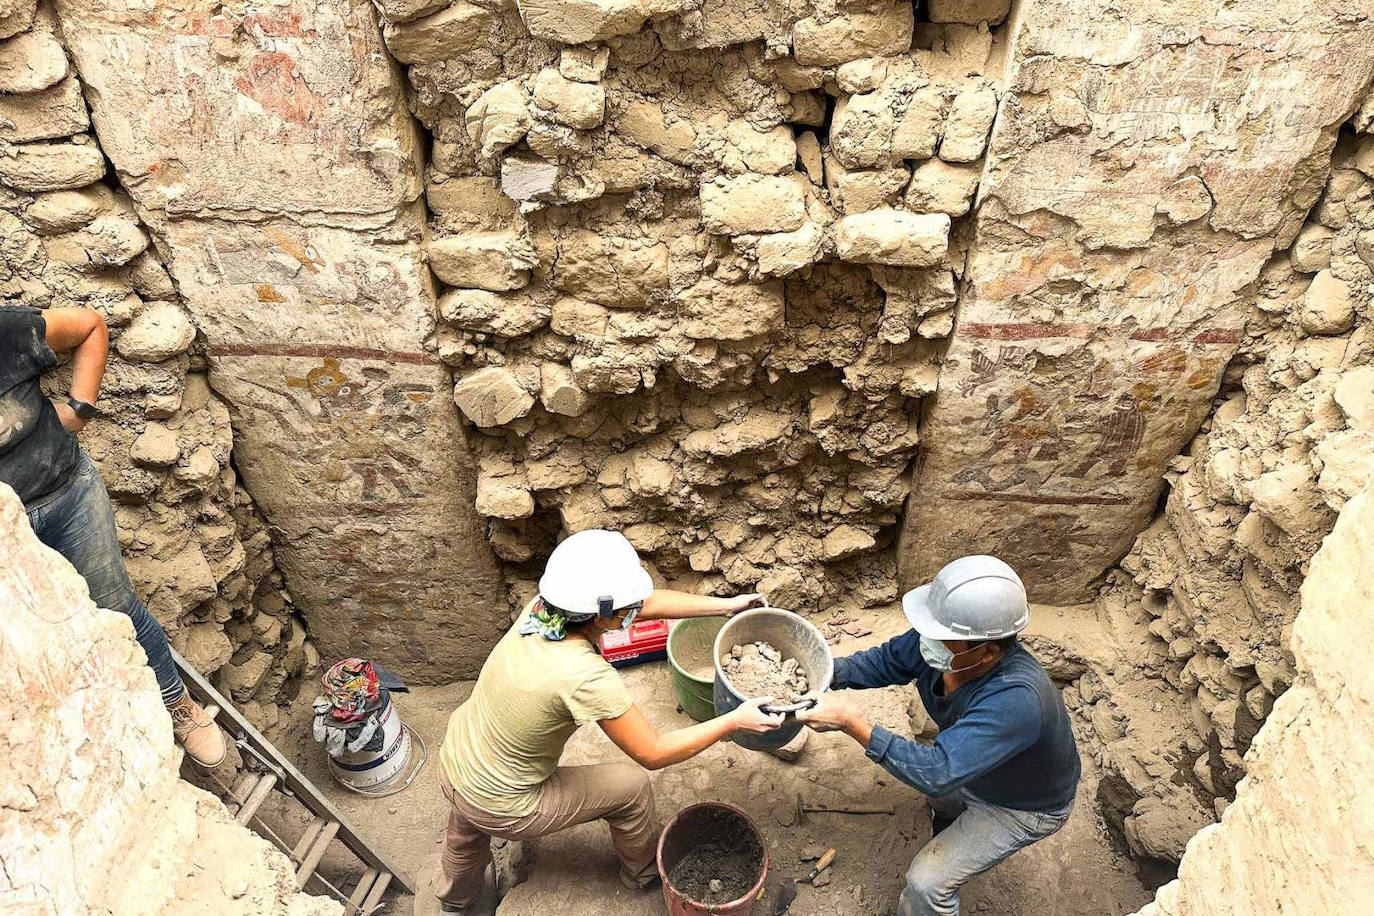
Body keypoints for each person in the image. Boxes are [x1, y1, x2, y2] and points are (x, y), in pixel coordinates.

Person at [436, 529, 783, 914]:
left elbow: (635, 603)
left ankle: (457, 900)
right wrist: (733, 720)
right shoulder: (585, 675)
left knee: (466, 826)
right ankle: (644, 872)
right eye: (626, 608)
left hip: (456, 760)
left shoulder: (544, 608)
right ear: (603, 613)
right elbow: (652, 753)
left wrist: (727, 605)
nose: (635, 609)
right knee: (631, 787)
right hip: (506, 804)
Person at [1, 306, 227, 768]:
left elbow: (89, 325)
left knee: (115, 605)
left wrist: (80, 409)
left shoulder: (5, 334)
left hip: (68, 495)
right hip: (9, 537)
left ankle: (176, 705)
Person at [797, 555, 1080, 916]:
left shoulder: (1017, 699)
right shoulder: (944, 647)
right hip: (975, 769)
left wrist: (854, 725)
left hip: (1022, 804)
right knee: (943, 793)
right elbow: (888, 661)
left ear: (989, 652)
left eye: (941, 637)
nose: (926, 641)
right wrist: (827, 673)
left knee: (926, 883)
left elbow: (938, 771)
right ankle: (950, 819)